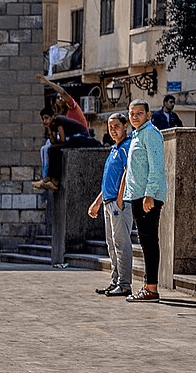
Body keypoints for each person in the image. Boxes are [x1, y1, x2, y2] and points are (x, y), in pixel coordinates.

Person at [120, 99, 168, 302]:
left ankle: (151, 289)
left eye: (139, 113)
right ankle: (149, 286)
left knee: (149, 241)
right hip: (138, 195)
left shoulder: (150, 133)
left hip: (147, 196)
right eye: (131, 114)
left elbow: (156, 166)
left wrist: (149, 195)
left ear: (148, 115)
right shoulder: (137, 134)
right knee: (145, 241)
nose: (134, 117)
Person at [87, 113, 133, 298]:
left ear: (125, 126)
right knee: (112, 245)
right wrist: (97, 202)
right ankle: (115, 281)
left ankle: (124, 284)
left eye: (117, 126)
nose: (113, 130)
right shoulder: (114, 148)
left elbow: (128, 173)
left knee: (121, 244)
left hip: (118, 203)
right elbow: (109, 180)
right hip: (108, 202)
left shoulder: (127, 147)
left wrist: (120, 200)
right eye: (110, 127)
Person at [33, 113, 100, 191]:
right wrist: (49, 131)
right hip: (73, 138)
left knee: (58, 149)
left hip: (80, 137)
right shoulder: (52, 126)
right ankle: (49, 179)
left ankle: (54, 181)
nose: (45, 121)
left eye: (46, 118)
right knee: (52, 149)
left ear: (52, 117)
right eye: (43, 119)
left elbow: (62, 140)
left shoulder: (58, 120)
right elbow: (53, 142)